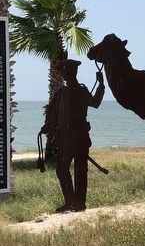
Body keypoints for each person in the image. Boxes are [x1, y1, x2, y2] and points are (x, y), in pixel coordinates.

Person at [39, 59, 104, 212]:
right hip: (75, 138)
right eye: (64, 71)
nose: (63, 73)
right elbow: (52, 112)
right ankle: (75, 202)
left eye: (64, 71)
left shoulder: (70, 91)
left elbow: (94, 103)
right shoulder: (71, 91)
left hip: (73, 138)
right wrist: (101, 85)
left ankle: (74, 202)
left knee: (68, 170)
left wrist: (101, 85)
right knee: (73, 170)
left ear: (68, 73)